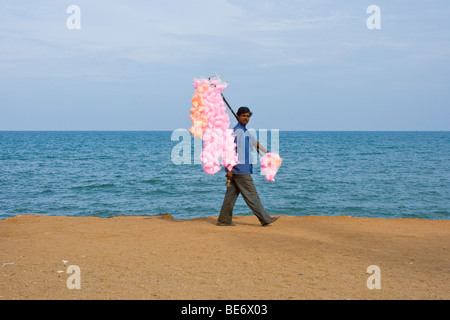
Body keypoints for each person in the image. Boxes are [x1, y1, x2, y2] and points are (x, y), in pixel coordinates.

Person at [217, 106, 280, 226]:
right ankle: (265, 219)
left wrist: (267, 153)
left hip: (241, 169)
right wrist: (229, 169)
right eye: (243, 116)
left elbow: (254, 143)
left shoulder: (244, 131)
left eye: (247, 116)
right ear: (238, 116)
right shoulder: (236, 132)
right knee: (252, 194)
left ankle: (223, 220)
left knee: (231, 196)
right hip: (240, 170)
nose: (246, 118)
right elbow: (228, 151)